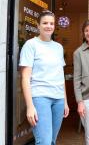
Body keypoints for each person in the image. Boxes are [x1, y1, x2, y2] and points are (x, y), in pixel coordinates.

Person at [20, 10, 69, 145]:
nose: (49, 26)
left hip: (58, 99)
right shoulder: (30, 45)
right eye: (45, 23)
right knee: (44, 142)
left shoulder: (58, 47)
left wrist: (65, 101)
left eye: (51, 23)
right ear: (38, 25)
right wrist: (30, 106)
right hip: (40, 98)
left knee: (52, 140)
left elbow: (61, 76)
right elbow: (25, 78)